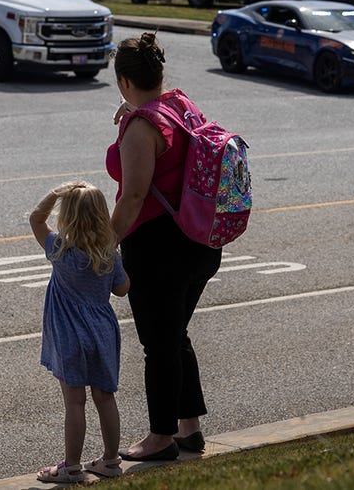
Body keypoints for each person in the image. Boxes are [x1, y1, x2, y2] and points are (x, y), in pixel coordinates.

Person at [106, 32, 223, 463]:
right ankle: (189, 427)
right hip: (199, 242)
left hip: (159, 250)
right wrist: (134, 111)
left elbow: (133, 197)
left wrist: (105, 245)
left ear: (123, 81)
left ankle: (160, 437)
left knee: (158, 343)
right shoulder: (179, 104)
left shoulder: (142, 127)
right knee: (174, 334)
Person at [30, 181, 130, 483]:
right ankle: (111, 461)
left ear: (67, 216)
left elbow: (36, 219)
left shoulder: (59, 249)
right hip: (101, 332)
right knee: (105, 398)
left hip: (69, 335)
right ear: (102, 215)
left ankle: (71, 466)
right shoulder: (108, 254)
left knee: (75, 402)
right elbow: (123, 290)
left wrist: (55, 193)